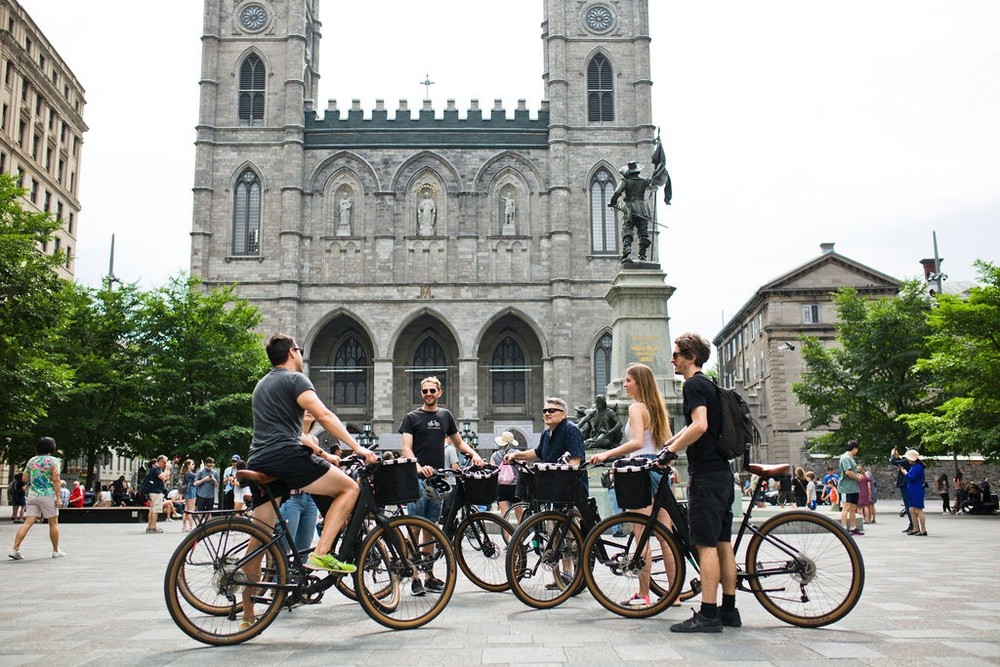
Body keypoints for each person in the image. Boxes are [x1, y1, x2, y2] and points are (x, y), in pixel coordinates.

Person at [662, 333, 740, 633]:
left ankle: (708, 614)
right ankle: (729, 610)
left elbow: (700, 425)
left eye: (677, 354)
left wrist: (671, 451)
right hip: (721, 472)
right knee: (723, 543)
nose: (673, 359)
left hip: (706, 476)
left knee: (705, 545)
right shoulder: (709, 383)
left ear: (691, 357)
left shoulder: (693, 384)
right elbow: (700, 428)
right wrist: (671, 441)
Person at [589, 362, 676, 608]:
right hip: (659, 471)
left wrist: (608, 455)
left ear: (639, 382)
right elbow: (666, 444)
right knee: (665, 537)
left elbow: (637, 442)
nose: (625, 384)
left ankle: (644, 594)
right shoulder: (657, 408)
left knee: (642, 536)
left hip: (641, 472)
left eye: (628, 380)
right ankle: (674, 592)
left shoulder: (637, 408)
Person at [400, 375, 484, 596]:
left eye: (432, 391)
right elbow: (406, 448)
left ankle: (429, 575)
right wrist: (418, 466)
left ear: (440, 392)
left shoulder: (445, 416)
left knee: (431, 529)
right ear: (421, 393)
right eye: (424, 391)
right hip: (417, 480)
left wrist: (474, 454)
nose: (428, 394)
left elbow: (458, 442)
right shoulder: (411, 418)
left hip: (437, 480)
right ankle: (414, 576)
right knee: (415, 528)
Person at [9, 436, 64, 560]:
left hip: (33, 494)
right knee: (53, 523)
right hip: (48, 494)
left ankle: (15, 549)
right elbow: (56, 479)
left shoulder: (32, 460)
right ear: (52, 448)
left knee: (28, 522)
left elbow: (24, 479)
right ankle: (56, 550)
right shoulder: (54, 461)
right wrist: (58, 496)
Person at [278, 411, 322, 555]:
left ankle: (298, 578)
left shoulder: (315, 440)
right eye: (303, 408)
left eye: (311, 409)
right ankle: (277, 578)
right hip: (291, 498)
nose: (309, 411)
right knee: (283, 550)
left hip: (310, 499)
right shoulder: (290, 432)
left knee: (304, 550)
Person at [609, 161, 653, 263]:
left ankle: (627, 250)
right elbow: (654, 184)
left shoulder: (625, 181)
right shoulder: (644, 181)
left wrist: (612, 202)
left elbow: (617, 192)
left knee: (627, 229)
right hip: (643, 209)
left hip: (630, 208)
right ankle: (642, 255)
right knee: (643, 232)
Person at [490, 431, 522, 518]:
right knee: (519, 514)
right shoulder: (516, 453)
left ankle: (506, 531)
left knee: (504, 515)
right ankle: (520, 531)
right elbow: (523, 465)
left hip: (501, 487)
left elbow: (493, 471)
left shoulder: (494, 455)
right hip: (515, 486)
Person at [838, 442, 863, 536]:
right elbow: (847, 472)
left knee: (853, 508)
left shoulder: (850, 458)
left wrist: (857, 475)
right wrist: (857, 478)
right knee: (846, 507)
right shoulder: (845, 458)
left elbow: (853, 471)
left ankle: (853, 527)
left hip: (853, 487)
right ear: (854, 448)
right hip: (846, 487)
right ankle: (844, 528)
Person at [142, 455, 171, 534]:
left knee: (152, 510)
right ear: (160, 461)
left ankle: (150, 526)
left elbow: (164, 478)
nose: (165, 464)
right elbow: (162, 477)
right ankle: (153, 527)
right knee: (156, 510)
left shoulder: (155, 469)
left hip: (154, 491)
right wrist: (167, 469)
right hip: (156, 491)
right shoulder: (155, 469)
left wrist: (166, 473)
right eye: (164, 462)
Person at [889, 448, 914, 531]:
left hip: (905, 484)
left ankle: (913, 524)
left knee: (908, 505)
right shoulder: (907, 461)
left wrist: (892, 455)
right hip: (906, 484)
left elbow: (894, 462)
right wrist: (897, 457)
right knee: (908, 505)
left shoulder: (907, 461)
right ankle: (912, 524)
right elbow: (900, 462)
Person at [905, 449, 927, 535]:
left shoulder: (918, 467)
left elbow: (913, 478)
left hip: (917, 489)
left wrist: (905, 473)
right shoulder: (913, 466)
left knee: (918, 509)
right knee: (911, 509)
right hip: (911, 489)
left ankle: (923, 529)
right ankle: (915, 528)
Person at [180, 459, 198, 531]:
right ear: (188, 465)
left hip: (188, 491)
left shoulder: (185, 473)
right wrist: (202, 468)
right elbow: (198, 476)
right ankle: (191, 526)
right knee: (191, 510)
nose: (193, 465)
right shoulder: (189, 473)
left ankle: (184, 526)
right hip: (191, 490)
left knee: (186, 509)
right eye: (192, 464)